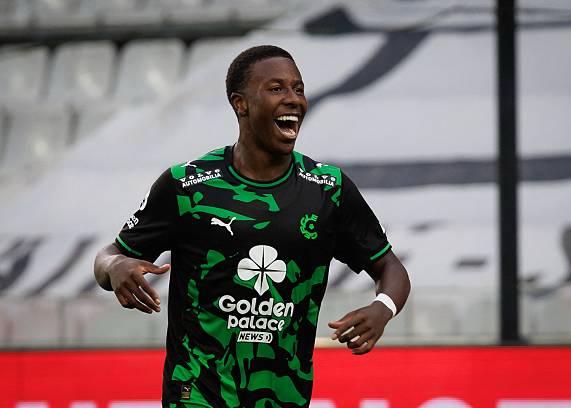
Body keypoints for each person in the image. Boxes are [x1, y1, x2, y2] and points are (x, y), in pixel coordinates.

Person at [94, 45, 410, 408]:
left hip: (283, 397)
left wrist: (383, 307)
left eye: (298, 89)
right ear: (240, 103)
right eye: (276, 88)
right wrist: (115, 266)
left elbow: (390, 267)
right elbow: (108, 257)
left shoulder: (328, 189)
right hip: (198, 393)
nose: (293, 99)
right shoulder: (187, 186)